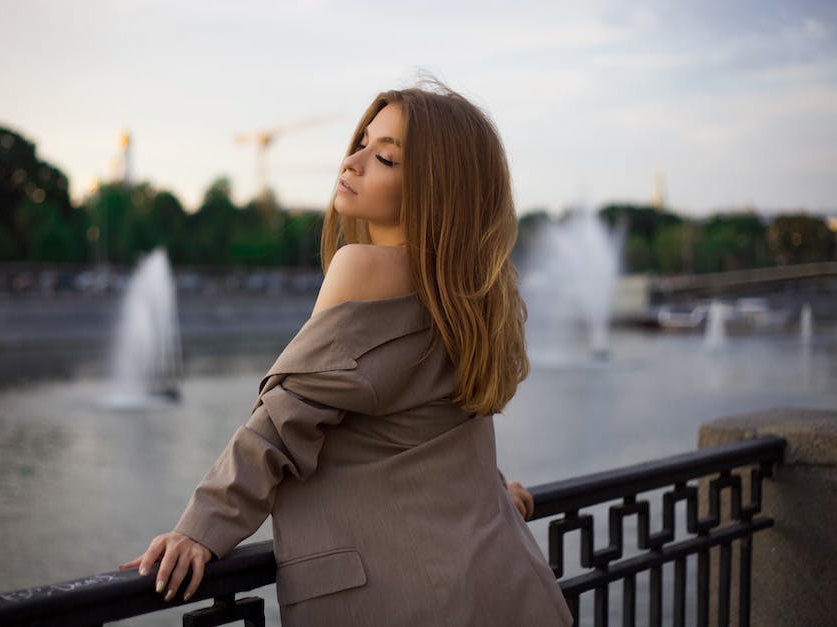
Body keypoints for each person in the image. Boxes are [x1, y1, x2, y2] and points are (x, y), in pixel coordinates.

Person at [121, 82, 572, 626]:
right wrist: (496, 491)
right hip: (508, 584)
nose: (352, 161)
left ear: (437, 188)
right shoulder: (470, 294)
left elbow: (282, 422)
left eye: (383, 156)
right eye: (361, 142)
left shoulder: (363, 266)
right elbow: (433, 429)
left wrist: (199, 529)